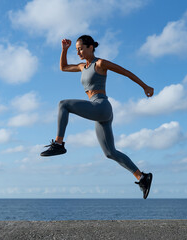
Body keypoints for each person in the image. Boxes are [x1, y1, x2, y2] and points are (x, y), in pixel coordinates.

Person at [40, 35, 154, 199]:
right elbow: (63, 67)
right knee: (110, 152)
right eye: (77, 49)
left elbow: (125, 72)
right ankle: (142, 177)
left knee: (63, 104)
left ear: (90, 47)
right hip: (98, 112)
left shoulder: (100, 64)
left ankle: (58, 143)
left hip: (101, 106)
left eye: (81, 48)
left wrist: (145, 86)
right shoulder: (82, 67)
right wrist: (64, 50)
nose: (78, 52)